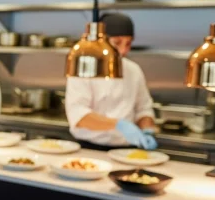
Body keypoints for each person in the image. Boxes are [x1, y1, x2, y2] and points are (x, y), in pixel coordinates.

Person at [65, 13, 157, 150]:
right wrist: (119, 125)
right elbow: (79, 115)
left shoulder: (133, 70)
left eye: (128, 43)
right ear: (102, 42)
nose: (123, 50)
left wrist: (147, 129)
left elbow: (143, 109)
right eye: (117, 43)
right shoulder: (84, 68)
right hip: (89, 148)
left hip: (126, 149)